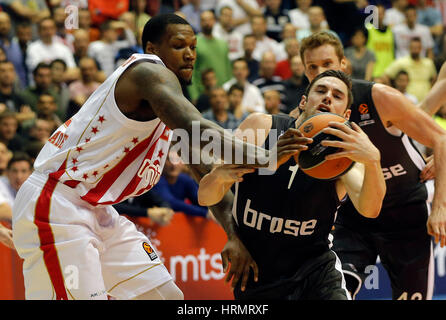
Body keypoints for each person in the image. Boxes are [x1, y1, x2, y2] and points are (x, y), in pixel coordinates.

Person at [12, 13, 281, 301]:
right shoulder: (147, 73)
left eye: (193, 46)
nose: (190, 55)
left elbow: (204, 170)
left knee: (166, 297)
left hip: (97, 209)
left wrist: (234, 235)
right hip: (56, 204)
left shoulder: (170, 104)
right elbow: (201, 130)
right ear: (153, 50)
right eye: (179, 46)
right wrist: (268, 157)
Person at [197, 69, 386, 299]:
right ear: (304, 101)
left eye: (337, 95)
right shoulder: (261, 128)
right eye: (321, 90)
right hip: (258, 275)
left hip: (317, 274)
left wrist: (373, 160)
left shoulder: (343, 159)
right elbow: (206, 196)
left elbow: (370, 209)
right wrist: (249, 165)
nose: (328, 97)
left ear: (346, 114)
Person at [293, 31, 446, 300]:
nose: (320, 72)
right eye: (312, 67)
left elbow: (440, 138)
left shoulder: (379, 97)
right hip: (354, 217)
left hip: (406, 210)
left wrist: (440, 208)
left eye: (327, 64)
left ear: (343, 65)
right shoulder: (305, 118)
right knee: (335, 293)